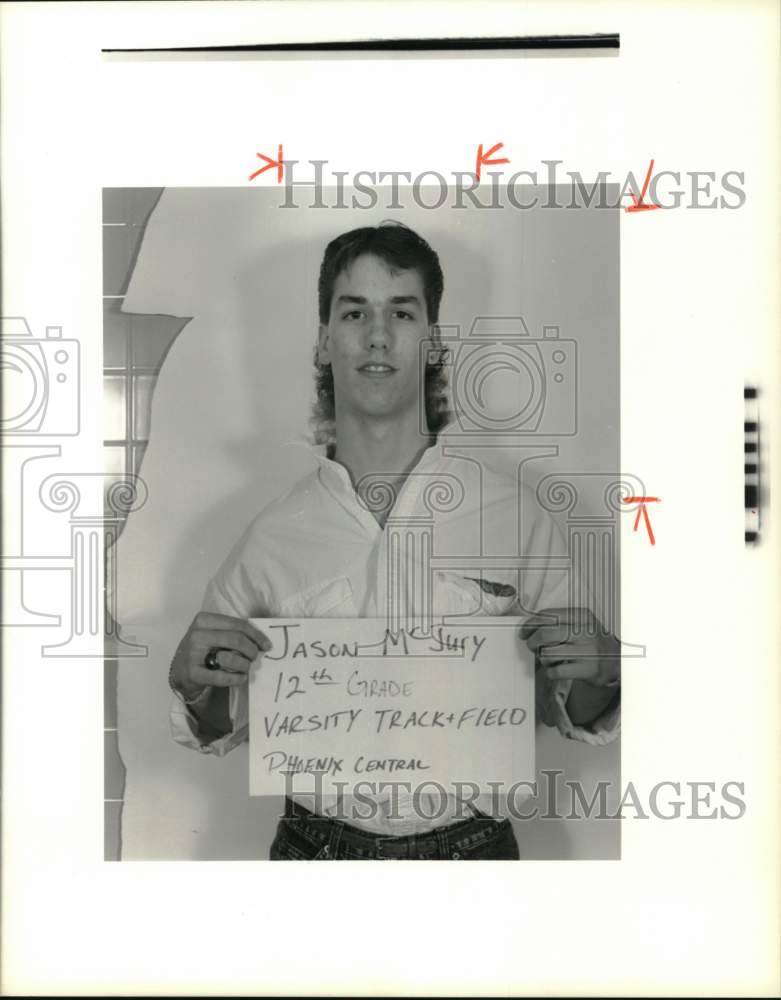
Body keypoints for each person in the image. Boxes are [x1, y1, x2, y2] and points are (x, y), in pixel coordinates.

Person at [168, 222, 621, 860]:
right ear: (325, 341)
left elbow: (573, 709)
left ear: (432, 341)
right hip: (313, 856)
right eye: (354, 312)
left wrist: (603, 670)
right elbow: (223, 721)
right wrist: (194, 685)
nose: (378, 335)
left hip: (476, 856)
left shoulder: (518, 517)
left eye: (401, 313)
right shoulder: (270, 536)